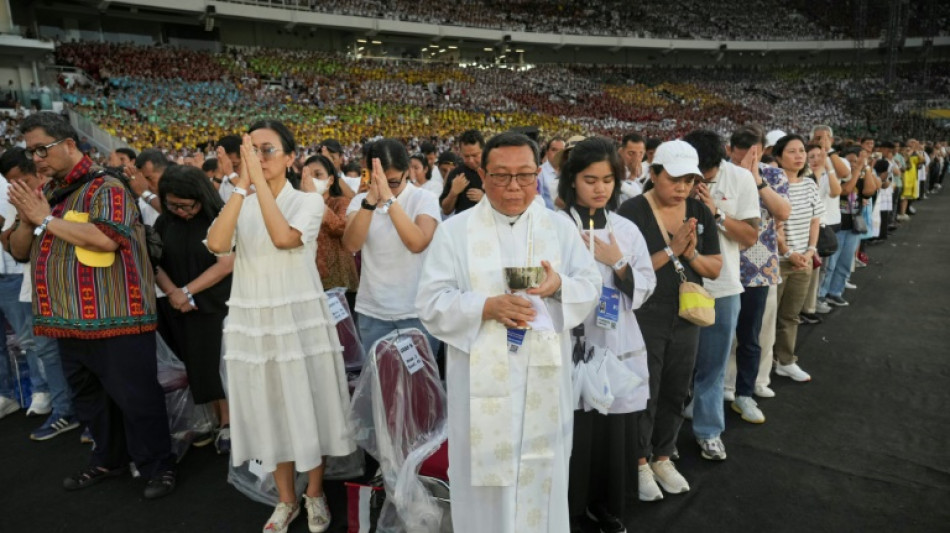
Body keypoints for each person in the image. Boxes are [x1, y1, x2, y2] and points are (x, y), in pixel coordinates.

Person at [416, 131, 601, 533]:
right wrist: (485, 306)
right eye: (501, 176)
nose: (514, 186)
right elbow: (430, 301)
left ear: (539, 174)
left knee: (542, 474)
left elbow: (591, 286)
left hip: (545, 379)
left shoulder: (560, 228)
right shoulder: (455, 232)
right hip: (481, 382)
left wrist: (559, 287)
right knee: (486, 484)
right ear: (482, 173)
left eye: (524, 175)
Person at [7, 112, 175, 499]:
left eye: (42, 149)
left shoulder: (106, 187)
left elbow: (104, 239)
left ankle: (157, 466)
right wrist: (24, 217)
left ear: (69, 144)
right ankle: (108, 459)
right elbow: (19, 251)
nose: (36, 159)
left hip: (116, 317)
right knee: (91, 401)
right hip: (66, 320)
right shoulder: (46, 195)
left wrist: (43, 219)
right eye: (31, 152)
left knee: (137, 399)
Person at [206, 120, 355, 533]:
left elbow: (284, 238)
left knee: (307, 406)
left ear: (291, 158)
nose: (257, 158)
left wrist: (255, 187)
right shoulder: (240, 200)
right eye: (250, 150)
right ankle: (286, 499)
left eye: (267, 150)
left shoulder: (307, 202)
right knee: (269, 407)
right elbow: (217, 245)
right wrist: (240, 188)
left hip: (297, 319)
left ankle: (314, 493)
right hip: (254, 320)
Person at [558, 137, 656, 533]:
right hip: (569, 342)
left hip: (615, 341)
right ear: (571, 181)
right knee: (575, 430)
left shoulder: (626, 230)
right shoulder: (557, 226)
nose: (600, 188)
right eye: (589, 179)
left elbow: (645, 286)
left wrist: (614, 260)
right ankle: (569, 508)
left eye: (608, 180)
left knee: (612, 431)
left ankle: (606, 506)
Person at [616, 140, 721, 501]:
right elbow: (625, 274)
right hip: (645, 314)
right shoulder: (631, 211)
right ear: (654, 173)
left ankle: (663, 455)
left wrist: (691, 253)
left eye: (689, 179)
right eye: (674, 178)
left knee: (677, 387)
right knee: (646, 389)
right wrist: (672, 250)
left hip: (687, 313)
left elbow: (715, 266)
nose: (682, 187)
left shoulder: (699, 210)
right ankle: (640, 460)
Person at [683, 129, 759, 461]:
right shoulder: (673, 175)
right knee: (675, 366)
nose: (700, 179)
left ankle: (709, 431)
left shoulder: (741, 179)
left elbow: (750, 236)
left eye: (708, 174)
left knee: (713, 365)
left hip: (722, 286)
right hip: (679, 284)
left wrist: (716, 214)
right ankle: (662, 441)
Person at [153, 165, 233, 454]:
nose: (181, 211)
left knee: (219, 366)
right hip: (179, 306)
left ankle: (229, 423)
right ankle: (212, 418)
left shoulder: (220, 218)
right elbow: (156, 262)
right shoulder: (165, 223)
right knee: (197, 366)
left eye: (187, 205)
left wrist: (187, 291)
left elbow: (226, 264)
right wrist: (175, 292)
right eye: (173, 205)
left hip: (216, 304)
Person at [0, 147, 77, 441]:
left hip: (71, 285)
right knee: (46, 349)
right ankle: (64, 409)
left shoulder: (61, 192)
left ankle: (91, 414)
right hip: (37, 286)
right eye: (10, 181)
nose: (15, 186)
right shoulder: (18, 201)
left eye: (20, 179)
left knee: (83, 352)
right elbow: (15, 247)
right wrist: (24, 218)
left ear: (37, 171)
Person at [342, 139, 441, 352]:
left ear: (407, 172)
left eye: (393, 182)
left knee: (420, 385)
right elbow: (351, 244)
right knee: (382, 383)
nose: (387, 187)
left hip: (416, 311)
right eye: (381, 180)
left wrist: (388, 199)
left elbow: (417, 243)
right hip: (373, 311)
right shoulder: (360, 202)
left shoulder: (425, 199)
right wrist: (370, 200)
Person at [722, 126, 790, 413]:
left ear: (763, 151)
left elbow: (783, 212)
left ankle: (745, 391)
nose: (749, 159)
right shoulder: (718, 173)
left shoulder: (774, 175)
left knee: (750, 333)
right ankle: (718, 386)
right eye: (742, 156)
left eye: (756, 153)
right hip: (722, 263)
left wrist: (757, 180)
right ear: (730, 150)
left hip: (757, 267)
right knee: (719, 332)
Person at [772, 135, 824, 383]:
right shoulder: (772, 186)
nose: (799, 155)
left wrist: (810, 251)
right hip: (778, 261)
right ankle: (765, 363)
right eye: (792, 151)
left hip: (803, 260)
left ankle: (785, 360)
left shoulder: (810, 184)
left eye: (802, 150)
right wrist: (787, 252)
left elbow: (816, 221)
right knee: (769, 316)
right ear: (779, 157)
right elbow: (772, 225)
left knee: (791, 315)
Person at [302, 154, 359, 311]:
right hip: (310, 282)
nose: (313, 180)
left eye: (318, 175)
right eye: (308, 176)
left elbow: (341, 227)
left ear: (331, 180)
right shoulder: (299, 204)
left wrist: (315, 200)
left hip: (340, 283)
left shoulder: (341, 202)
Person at [440, 130, 485, 216]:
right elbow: (446, 210)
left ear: (483, 151)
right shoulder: (456, 174)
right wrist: (453, 193)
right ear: (460, 153)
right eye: (466, 156)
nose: (471, 160)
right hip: (462, 226)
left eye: (475, 155)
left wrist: (485, 200)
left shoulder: (495, 171)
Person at [618, 132, 647, 203]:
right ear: (621, 151)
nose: (636, 158)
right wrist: (632, 177)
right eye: (631, 153)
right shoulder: (613, 168)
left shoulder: (646, 168)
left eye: (641, 153)